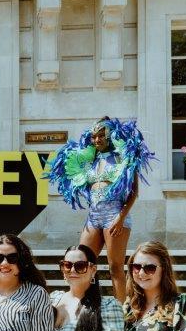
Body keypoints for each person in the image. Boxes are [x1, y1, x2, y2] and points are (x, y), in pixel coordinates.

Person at [46, 117, 154, 301]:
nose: (97, 140)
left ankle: (121, 313)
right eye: (94, 136)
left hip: (115, 215)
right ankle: (85, 306)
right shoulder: (90, 160)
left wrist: (120, 218)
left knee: (115, 267)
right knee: (82, 262)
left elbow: (134, 192)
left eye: (101, 136)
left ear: (111, 136)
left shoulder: (124, 156)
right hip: (93, 217)